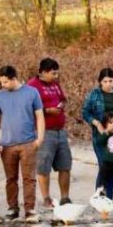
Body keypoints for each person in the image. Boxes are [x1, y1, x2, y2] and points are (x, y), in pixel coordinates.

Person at [0, 65, 46, 222]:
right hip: (7, 144)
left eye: (5, 82)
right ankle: (12, 208)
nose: (3, 85)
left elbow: (40, 116)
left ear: (14, 78)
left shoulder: (31, 92)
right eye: (1, 82)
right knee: (10, 178)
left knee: (29, 178)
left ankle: (30, 209)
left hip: (28, 142)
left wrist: (39, 139)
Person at [27, 58, 73, 208]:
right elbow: (28, 108)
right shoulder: (32, 86)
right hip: (44, 131)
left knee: (65, 165)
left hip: (60, 131)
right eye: (53, 73)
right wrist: (47, 110)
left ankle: (65, 198)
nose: (56, 76)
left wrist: (61, 106)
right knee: (43, 166)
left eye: (56, 73)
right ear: (43, 72)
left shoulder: (55, 84)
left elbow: (63, 99)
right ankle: (46, 198)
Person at [82, 67, 113, 190]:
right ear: (100, 82)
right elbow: (85, 112)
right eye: (105, 81)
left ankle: (108, 197)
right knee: (104, 165)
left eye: (111, 81)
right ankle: (99, 195)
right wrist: (97, 123)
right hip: (102, 135)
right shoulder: (94, 95)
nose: (108, 84)